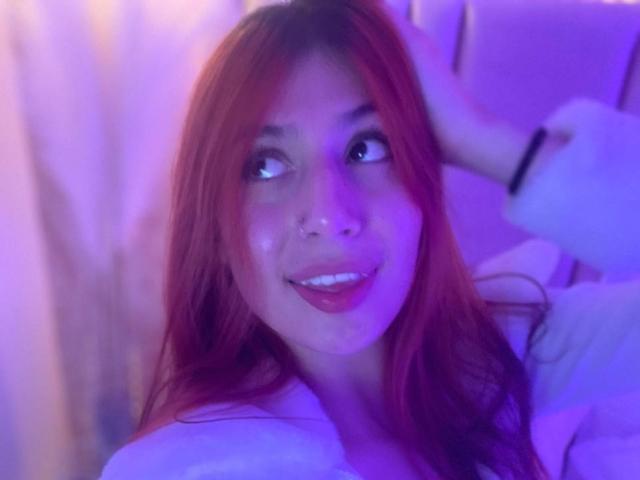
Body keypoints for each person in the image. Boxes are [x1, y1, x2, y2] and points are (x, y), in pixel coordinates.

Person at [100, 1, 640, 479]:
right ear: (215, 228)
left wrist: (485, 139)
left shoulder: (509, 355)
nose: (330, 215)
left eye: (367, 148)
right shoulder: (190, 467)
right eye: (264, 165)